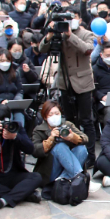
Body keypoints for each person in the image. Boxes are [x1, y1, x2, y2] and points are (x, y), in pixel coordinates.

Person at [39, 16, 97, 165]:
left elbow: (87, 49)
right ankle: (72, 150)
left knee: (86, 120)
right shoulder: (57, 34)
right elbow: (42, 49)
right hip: (64, 81)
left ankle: (90, 156)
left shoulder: (85, 33)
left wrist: (70, 35)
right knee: (70, 120)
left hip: (83, 82)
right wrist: (51, 34)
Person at [0, 103, 42, 212]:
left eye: (5, 121)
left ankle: (3, 201)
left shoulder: (15, 127)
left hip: (13, 174)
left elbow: (30, 149)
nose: (3, 125)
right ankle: (24, 194)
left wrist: (15, 137)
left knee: (36, 177)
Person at [32, 100, 100, 192]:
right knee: (60, 147)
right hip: (50, 169)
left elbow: (85, 138)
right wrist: (51, 139)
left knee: (81, 149)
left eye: (56, 113)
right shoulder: (39, 130)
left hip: (66, 168)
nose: (54, 116)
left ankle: (63, 180)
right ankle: (80, 178)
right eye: (50, 114)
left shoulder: (67, 125)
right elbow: (35, 151)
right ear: (45, 117)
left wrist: (72, 137)